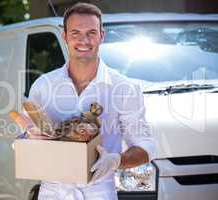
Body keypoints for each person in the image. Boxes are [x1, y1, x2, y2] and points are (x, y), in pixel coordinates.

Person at [27, 2, 157, 200]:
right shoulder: (43, 85)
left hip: (99, 192)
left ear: (101, 36)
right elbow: (26, 137)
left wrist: (115, 161)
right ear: (64, 36)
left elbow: (146, 146)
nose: (84, 40)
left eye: (91, 33)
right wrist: (29, 140)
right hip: (52, 193)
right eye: (75, 33)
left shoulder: (123, 88)